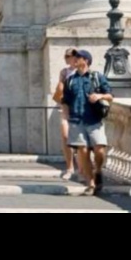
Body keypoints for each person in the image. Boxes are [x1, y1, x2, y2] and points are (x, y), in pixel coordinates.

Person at [63, 49, 113, 195]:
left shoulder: (97, 77)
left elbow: (110, 95)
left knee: (100, 150)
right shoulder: (70, 80)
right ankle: (90, 183)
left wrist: (98, 96)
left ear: (86, 60)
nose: (75, 59)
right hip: (76, 120)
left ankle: (98, 170)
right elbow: (65, 101)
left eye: (78, 57)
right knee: (82, 151)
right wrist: (66, 118)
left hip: (94, 119)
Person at [52, 49, 79, 182]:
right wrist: (60, 89)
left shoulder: (84, 71)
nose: (68, 58)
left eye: (70, 56)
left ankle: (82, 168)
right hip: (66, 107)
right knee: (65, 135)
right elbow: (59, 92)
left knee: (81, 140)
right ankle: (70, 167)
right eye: (66, 56)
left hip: (80, 108)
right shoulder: (65, 72)